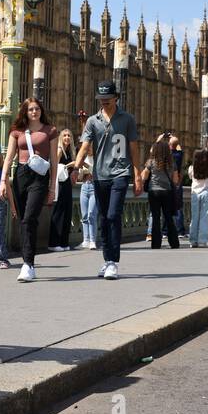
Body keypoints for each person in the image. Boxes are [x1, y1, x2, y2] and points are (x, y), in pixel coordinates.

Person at [69, 80, 142, 280]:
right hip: (99, 175)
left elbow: (134, 148)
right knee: (103, 218)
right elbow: (84, 147)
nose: (104, 103)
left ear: (116, 98)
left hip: (120, 173)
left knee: (113, 215)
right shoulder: (93, 121)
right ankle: (107, 259)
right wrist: (76, 167)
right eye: (101, 100)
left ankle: (113, 261)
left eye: (107, 100)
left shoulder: (127, 119)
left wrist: (137, 174)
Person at [2, 98, 58, 282]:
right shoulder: (16, 131)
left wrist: (52, 187)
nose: (34, 112)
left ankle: (28, 264)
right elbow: (9, 158)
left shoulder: (50, 131)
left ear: (41, 110)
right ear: (25, 112)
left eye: (37, 109)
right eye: (30, 109)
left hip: (40, 176)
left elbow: (54, 162)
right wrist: (4, 181)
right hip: (21, 173)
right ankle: (29, 262)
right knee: (23, 220)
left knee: (29, 218)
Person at [139, 137, 180, 249]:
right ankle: (174, 243)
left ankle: (156, 243)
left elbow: (144, 176)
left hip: (154, 191)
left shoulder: (151, 162)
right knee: (168, 217)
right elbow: (176, 180)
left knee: (156, 217)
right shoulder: (172, 163)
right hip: (167, 192)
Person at [49, 129, 77, 251]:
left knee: (67, 212)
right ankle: (54, 243)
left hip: (67, 184)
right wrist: (70, 164)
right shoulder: (60, 150)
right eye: (65, 135)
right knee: (58, 212)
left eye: (69, 136)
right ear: (61, 138)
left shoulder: (71, 151)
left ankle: (64, 242)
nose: (67, 138)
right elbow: (54, 166)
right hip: (59, 184)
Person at [187, 145, 208, 248]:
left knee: (194, 217)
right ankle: (202, 240)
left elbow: (190, 177)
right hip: (206, 192)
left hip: (195, 193)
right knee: (204, 218)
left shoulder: (191, 168)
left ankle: (193, 240)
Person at [75, 147, 98, 249]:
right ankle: (86, 240)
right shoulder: (83, 159)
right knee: (84, 216)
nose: (88, 149)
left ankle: (93, 241)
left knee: (91, 214)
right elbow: (79, 178)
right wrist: (81, 172)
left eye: (90, 147)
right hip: (84, 187)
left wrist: (88, 168)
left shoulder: (98, 158)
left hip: (94, 188)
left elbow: (97, 174)